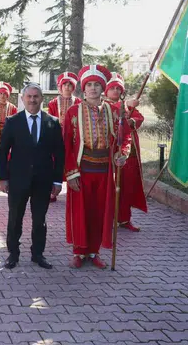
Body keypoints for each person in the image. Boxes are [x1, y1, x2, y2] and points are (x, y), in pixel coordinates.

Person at [63, 65, 131, 269]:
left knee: (100, 212)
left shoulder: (114, 111)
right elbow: (66, 144)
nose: (93, 88)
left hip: (104, 170)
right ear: (83, 89)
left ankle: (94, 252)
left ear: (103, 88)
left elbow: (124, 136)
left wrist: (122, 153)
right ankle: (79, 251)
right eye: (89, 85)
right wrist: (70, 174)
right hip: (81, 170)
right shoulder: (73, 111)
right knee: (80, 212)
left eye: (97, 85)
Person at [0, 83, 65, 269]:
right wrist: (2, 178)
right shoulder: (13, 121)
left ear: (42, 99)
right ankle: (13, 254)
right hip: (18, 180)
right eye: (29, 96)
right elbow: (3, 151)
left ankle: (38, 254)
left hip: (43, 180)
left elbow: (59, 154)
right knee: (15, 218)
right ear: (22, 99)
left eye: (36, 96)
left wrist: (58, 180)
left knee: (39, 219)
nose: (33, 100)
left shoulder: (52, 122)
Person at [104, 73, 148, 232]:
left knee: (127, 187)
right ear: (106, 91)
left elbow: (139, 118)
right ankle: (107, 219)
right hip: (111, 153)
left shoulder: (127, 105)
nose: (115, 91)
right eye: (112, 88)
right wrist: (126, 107)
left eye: (118, 88)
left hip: (129, 153)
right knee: (111, 187)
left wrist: (131, 121)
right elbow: (112, 117)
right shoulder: (103, 105)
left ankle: (124, 218)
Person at [46, 72, 81, 203]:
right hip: (58, 137)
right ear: (60, 87)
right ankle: (52, 192)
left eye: (69, 84)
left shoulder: (79, 102)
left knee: (74, 161)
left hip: (75, 138)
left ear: (73, 87)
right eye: (64, 84)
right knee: (55, 162)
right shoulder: (53, 103)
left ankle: (74, 190)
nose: (67, 87)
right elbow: (50, 120)